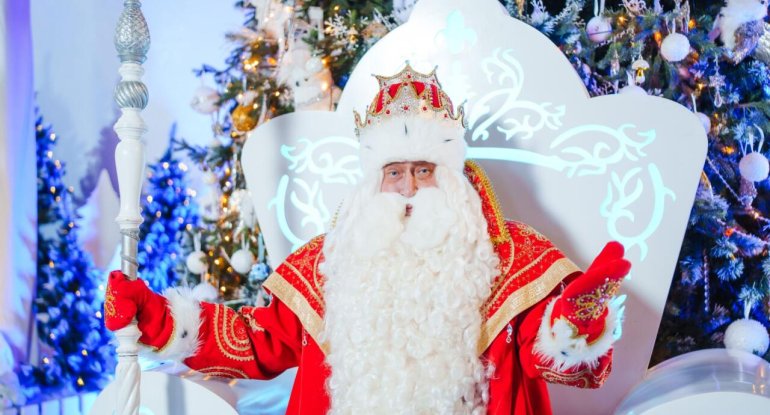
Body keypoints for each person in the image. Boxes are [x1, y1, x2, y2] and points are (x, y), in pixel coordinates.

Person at [104, 64, 631, 415]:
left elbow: (556, 359)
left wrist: (577, 320)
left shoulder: (511, 258)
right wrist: (157, 317)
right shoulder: (326, 265)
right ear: (373, 180)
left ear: (451, 175)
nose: (408, 188)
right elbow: (256, 341)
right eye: (394, 172)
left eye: (424, 169)